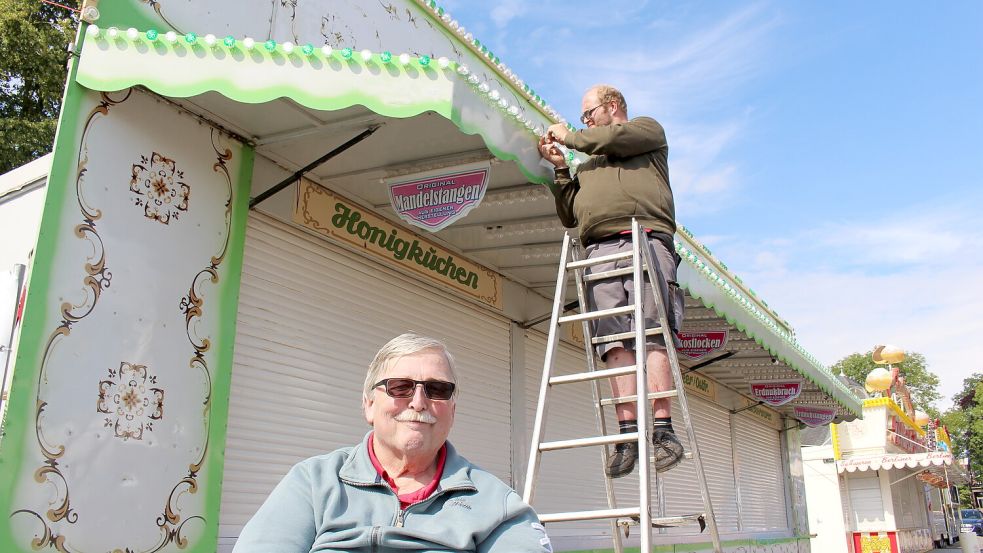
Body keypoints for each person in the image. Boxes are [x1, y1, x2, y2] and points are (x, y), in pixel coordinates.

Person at [233, 333, 553, 553]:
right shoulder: (313, 482)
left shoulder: (496, 504)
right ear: (369, 404)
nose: (418, 402)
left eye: (436, 389)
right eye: (400, 387)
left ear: (452, 411)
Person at [538, 84, 685, 478]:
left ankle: (663, 429)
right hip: (599, 250)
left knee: (651, 331)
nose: (584, 123)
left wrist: (569, 137)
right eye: (582, 120)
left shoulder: (646, 132)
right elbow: (570, 215)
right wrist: (560, 168)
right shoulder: (589, 166)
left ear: (612, 106)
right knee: (611, 339)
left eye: (588, 115)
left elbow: (614, 138)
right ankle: (627, 432)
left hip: (646, 238)